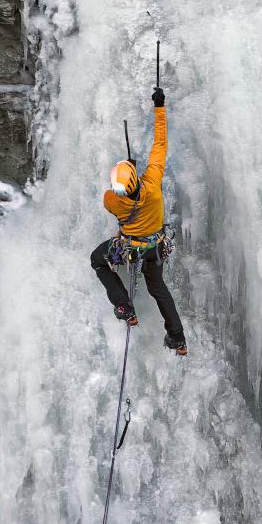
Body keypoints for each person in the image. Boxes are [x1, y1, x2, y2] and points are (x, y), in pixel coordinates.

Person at [90, 87, 187, 356]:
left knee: (97, 260)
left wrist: (126, 172)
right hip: (155, 247)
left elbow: (112, 196)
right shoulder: (153, 186)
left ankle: (124, 306)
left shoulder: (113, 201)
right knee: (157, 287)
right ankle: (178, 338)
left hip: (130, 248)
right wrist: (159, 107)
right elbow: (160, 144)